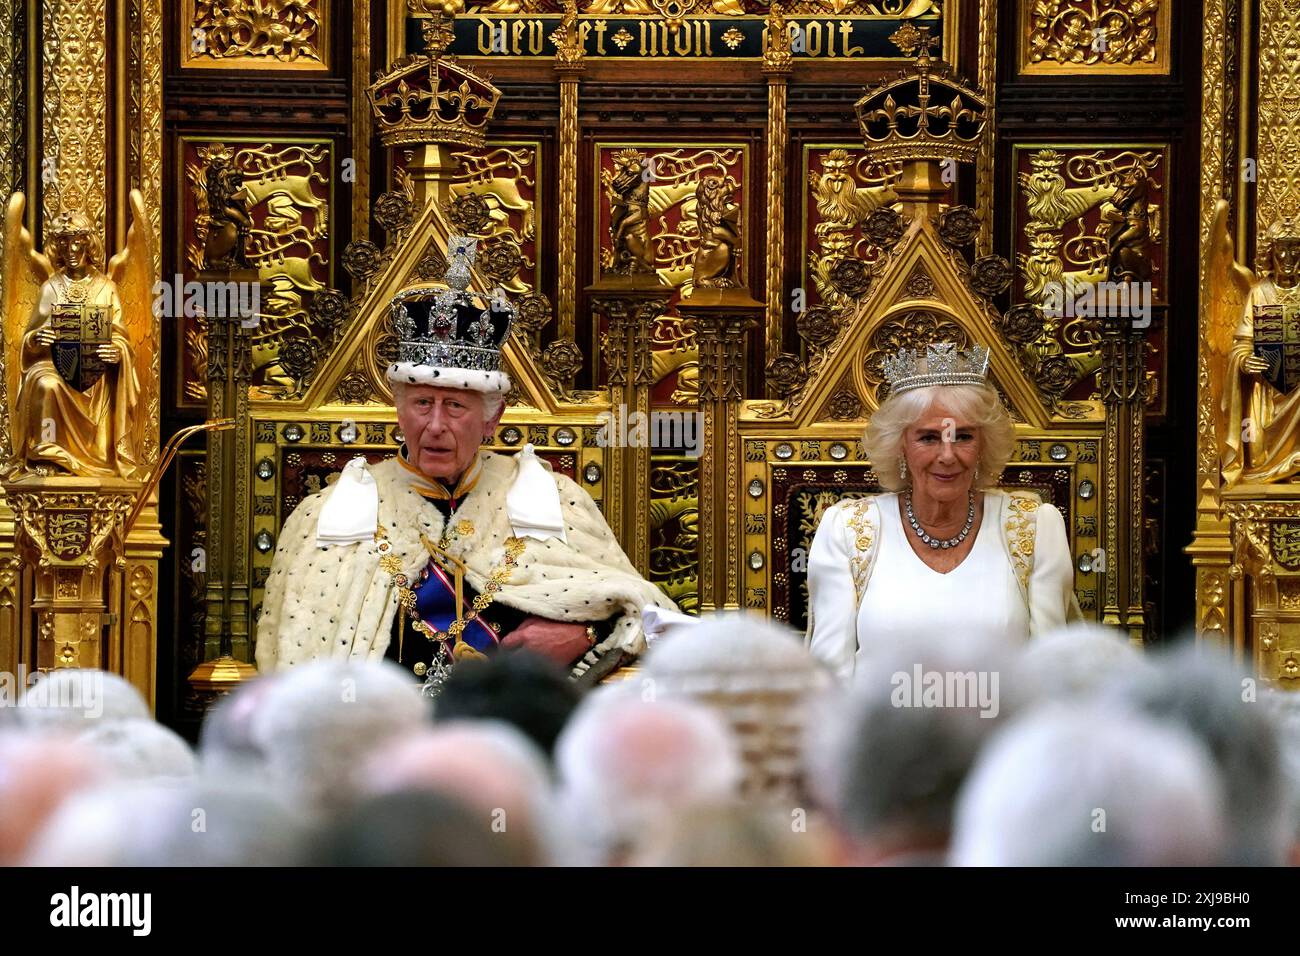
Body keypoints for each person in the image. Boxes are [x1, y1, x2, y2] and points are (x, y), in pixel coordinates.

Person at [255, 236, 674, 687]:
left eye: (455, 407)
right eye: (421, 403)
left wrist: (583, 631)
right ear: (399, 409)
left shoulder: (552, 499)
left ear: (492, 418)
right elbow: (293, 656)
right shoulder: (327, 513)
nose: (435, 425)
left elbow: (648, 614)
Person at [806, 342, 1080, 681]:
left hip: (1000, 729)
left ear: (983, 446)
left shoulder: (1034, 527)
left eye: (963, 436)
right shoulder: (848, 529)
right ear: (901, 445)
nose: (948, 456)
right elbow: (830, 679)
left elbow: (1051, 675)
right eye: (929, 438)